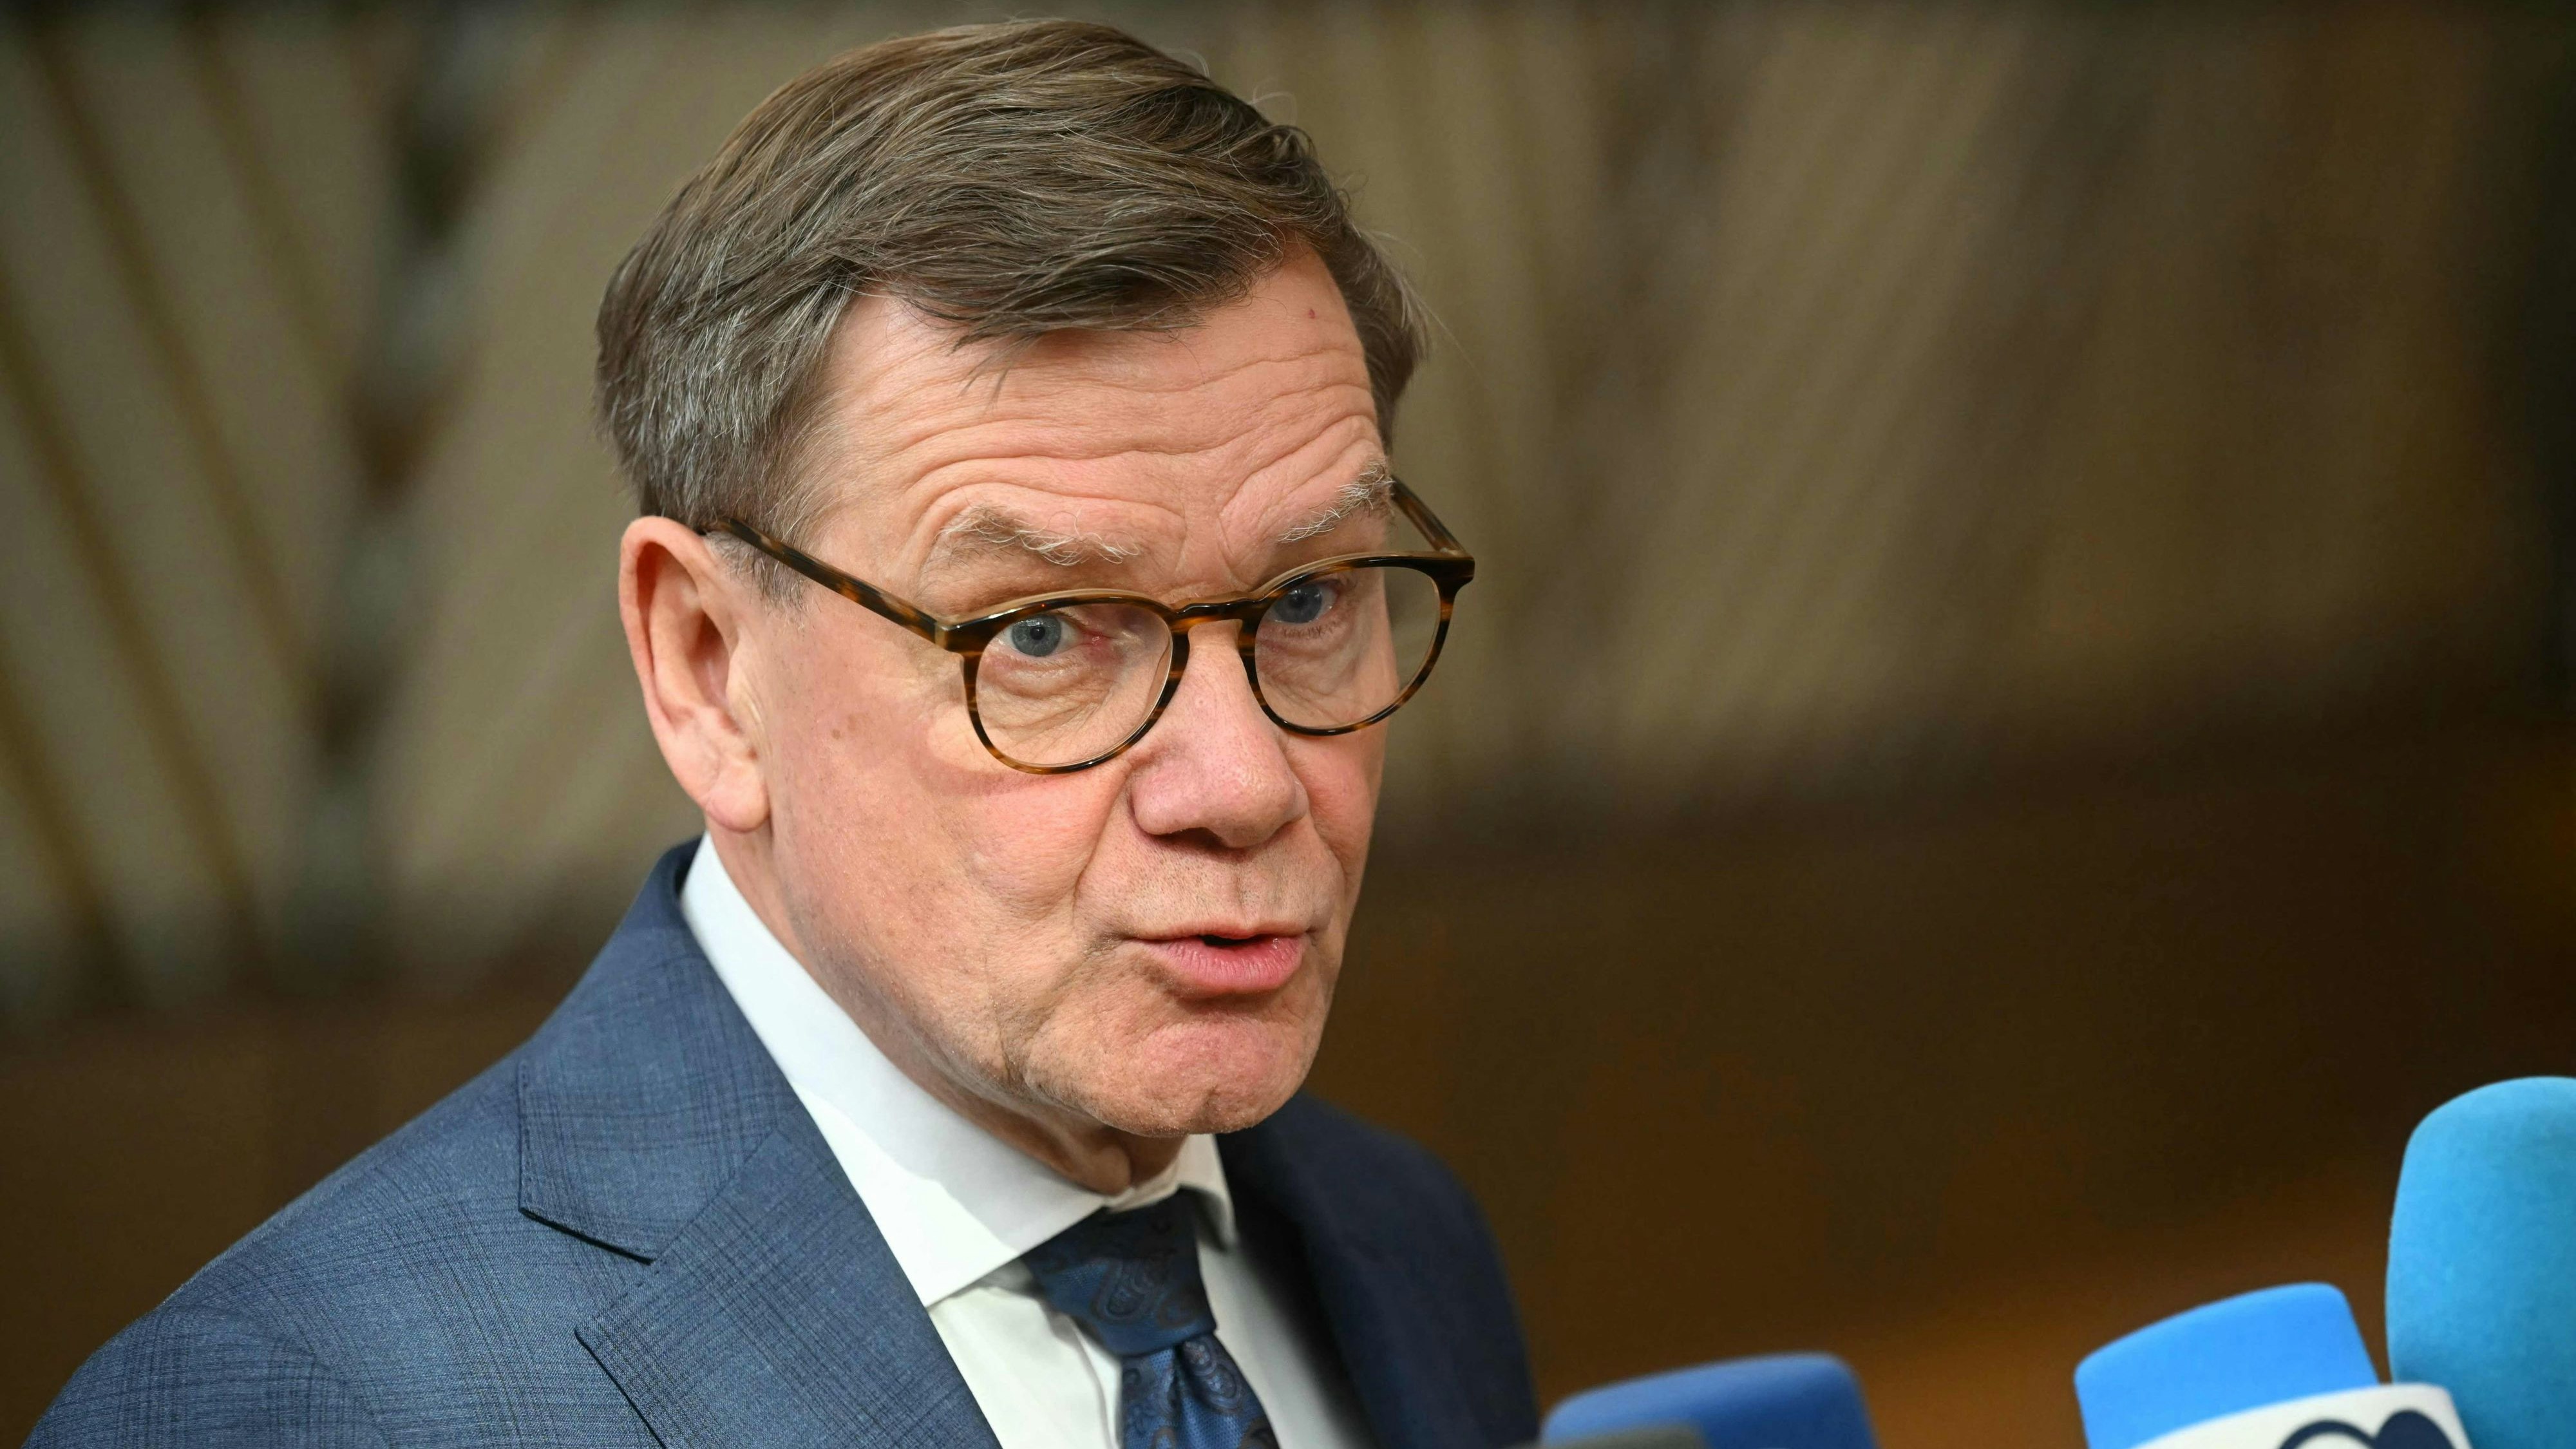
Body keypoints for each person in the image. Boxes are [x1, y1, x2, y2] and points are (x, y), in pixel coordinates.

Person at [31, 18, 1536, 1449]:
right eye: (1040, 633)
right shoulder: (312, 1404)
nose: (1244, 783)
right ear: (703, 666)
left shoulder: (1401, 1241)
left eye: (1309, 599)